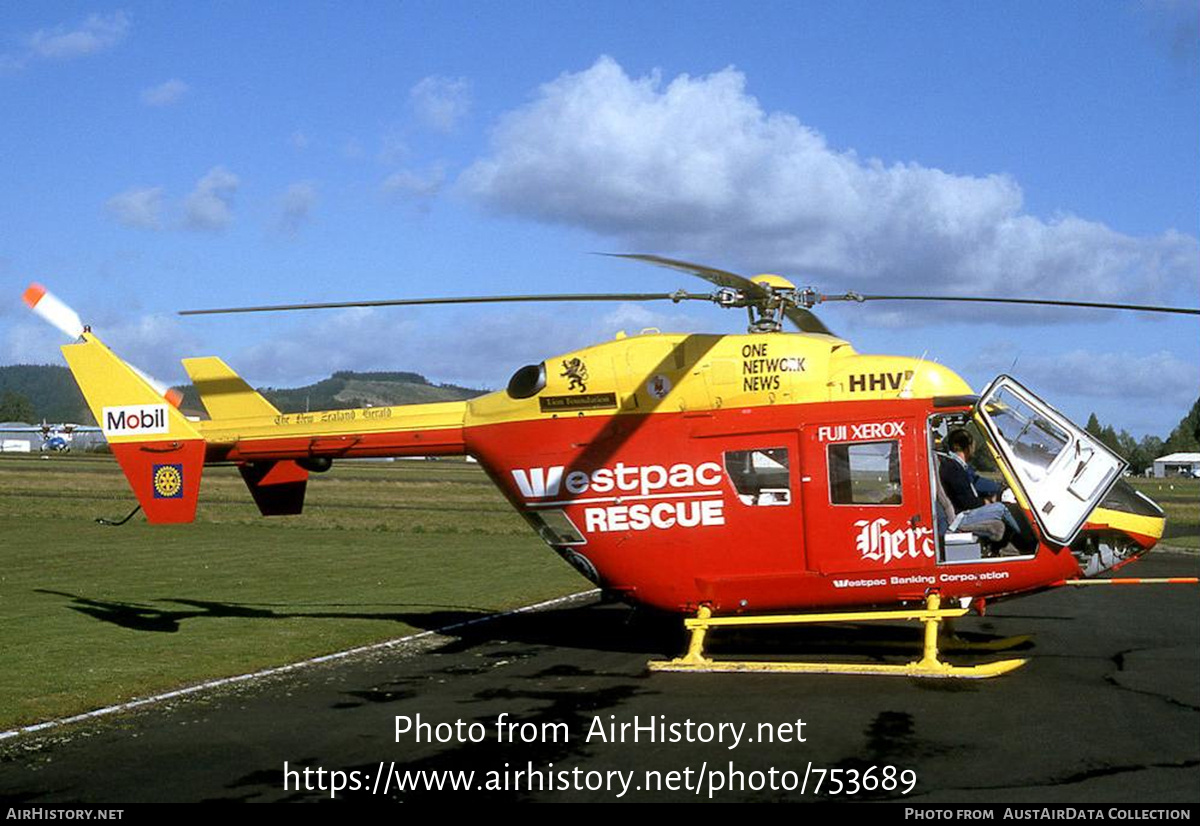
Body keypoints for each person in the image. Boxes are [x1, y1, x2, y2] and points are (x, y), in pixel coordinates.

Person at [939, 429, 1030, 549]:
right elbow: (967, 502)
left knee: (1004, 506)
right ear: (968, 447)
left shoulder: (957, 466)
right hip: (960, 518)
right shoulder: (953, 469)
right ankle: (1032, 540)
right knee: (1003, 508)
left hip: (964, 512)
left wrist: (996, 492)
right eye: (973, 446)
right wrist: (987, 501)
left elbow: (974, 484)